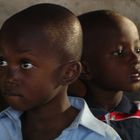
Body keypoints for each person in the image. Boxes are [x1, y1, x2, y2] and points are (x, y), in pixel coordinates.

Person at [0, 4, 121, 140]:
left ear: (69, 73)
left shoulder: (99, 137)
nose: (9, 77)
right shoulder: (2, 127)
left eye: (26, 64)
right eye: (2, 62)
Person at [70, 10, 140, 140]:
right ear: (85, 69)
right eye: (119, 53)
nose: (136, 59)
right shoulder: (71, 122)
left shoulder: (138, 114)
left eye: (138, 50)